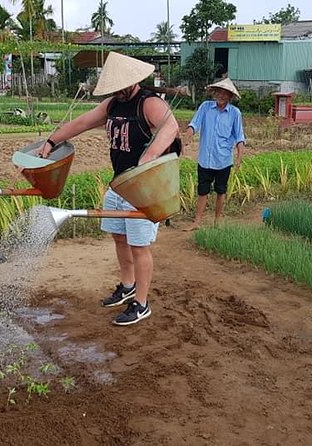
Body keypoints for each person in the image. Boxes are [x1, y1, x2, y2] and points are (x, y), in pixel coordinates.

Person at [37, 52, 179, 326]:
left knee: (140, 247)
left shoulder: (148, 103)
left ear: (132, 81)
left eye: (120, 87)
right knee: (119, 237)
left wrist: (147, 160)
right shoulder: (112, 105)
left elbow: (170, 127)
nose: (118, 92)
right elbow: (81, 123)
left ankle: (141, 303)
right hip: (119, 183)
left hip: (144, 186)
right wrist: (51, 141)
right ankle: (127, 286)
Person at [183, 77, 245, 230]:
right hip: (205, 159)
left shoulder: (235, 113)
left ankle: (217, 221)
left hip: (223, 160)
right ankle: (197, 222)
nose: (221, 96)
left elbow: (239, 136)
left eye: (225, 94)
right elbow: (194, 124)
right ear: (214, 93)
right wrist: (187, 136)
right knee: (202, 191)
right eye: (219, 92)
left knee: (220, 191)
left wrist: (239, 157)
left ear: (230, 97)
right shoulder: (205, 107)